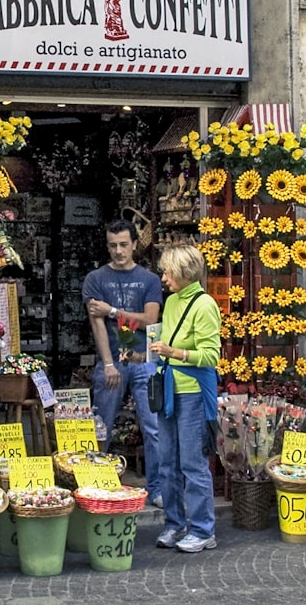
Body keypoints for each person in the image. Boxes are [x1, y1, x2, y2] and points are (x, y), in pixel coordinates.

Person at [82, 219, 163, 507]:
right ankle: (98, 485)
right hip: (112, 361)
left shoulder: (150, 280)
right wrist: (107, 363)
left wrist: (113, 310)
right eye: (113, 245)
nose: (118, 251)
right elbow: (97, 324)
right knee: (102, 424)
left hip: (144, 361)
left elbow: (150, 320)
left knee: (153, 427)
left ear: (134, 245)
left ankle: (157, 489)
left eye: (124, 245)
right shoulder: (96, 279)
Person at [148, 244, 222, 553]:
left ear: (182, 272)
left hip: (191, 392)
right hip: (169, 388)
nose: (164, 277)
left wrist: (172, 352)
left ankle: (203, 529)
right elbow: (165, 338)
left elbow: (211, 354)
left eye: (168, 271)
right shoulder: (173, 301)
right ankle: (175, 524)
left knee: (192, 463)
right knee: (167, 461)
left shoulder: (205, 305)